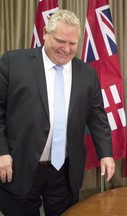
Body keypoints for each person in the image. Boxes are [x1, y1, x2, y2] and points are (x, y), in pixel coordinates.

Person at [0, 9, 115, 215]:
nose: (66, 49)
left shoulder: (88, 74)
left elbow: (98, 118)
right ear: (45, 33)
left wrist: (106, 154)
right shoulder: (13, 63)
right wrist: (2, 151)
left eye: (73, 44)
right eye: (61, 41)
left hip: (65, 172)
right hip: (20, 166)